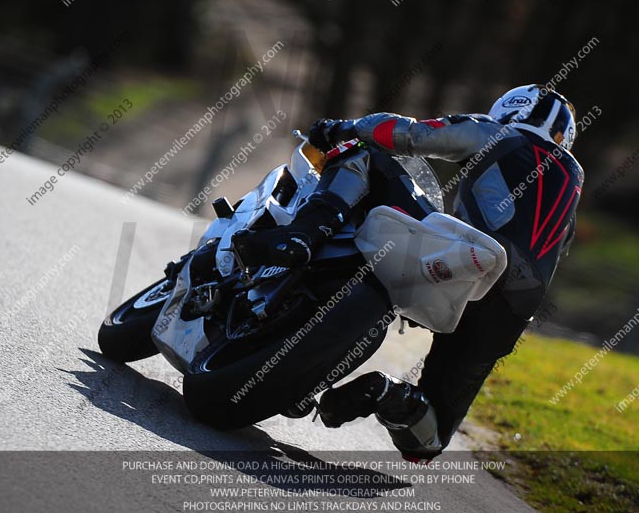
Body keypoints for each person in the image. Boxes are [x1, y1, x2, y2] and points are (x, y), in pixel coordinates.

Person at [233, 84, 584, 461]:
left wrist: (343, 128)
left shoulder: (497, 132)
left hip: (463, 260)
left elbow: (410, 135)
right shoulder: (574, 183)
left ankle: (301, 235)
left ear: (511, 110)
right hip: (513, 307)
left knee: (364, 151)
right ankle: (384, 392)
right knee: (427, 444)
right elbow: (558, 247)